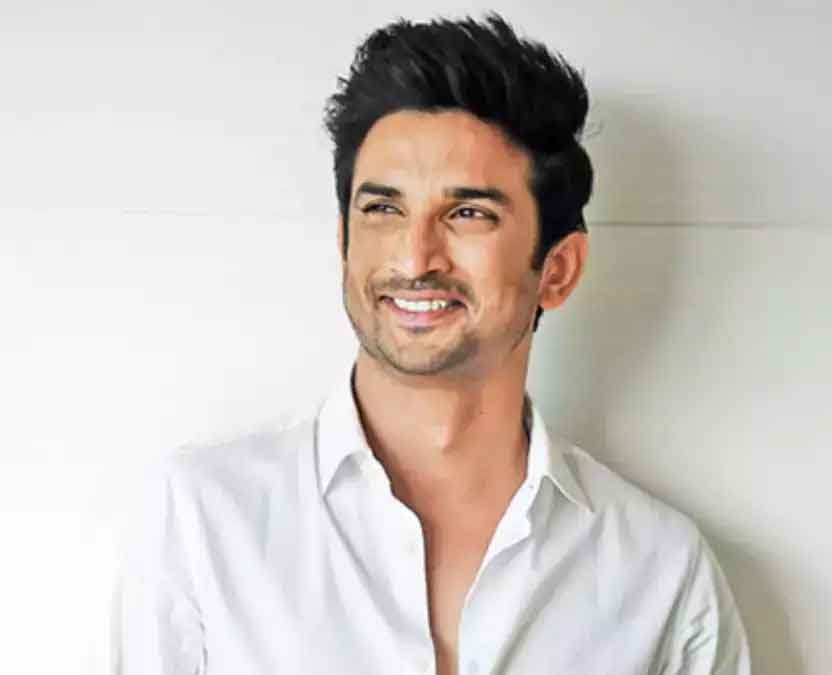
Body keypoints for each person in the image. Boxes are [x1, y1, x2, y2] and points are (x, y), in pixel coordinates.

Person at [110, 13, 750, 675]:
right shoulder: (204, 521)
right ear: (344, 242)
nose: (415, 258)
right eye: (383, 209)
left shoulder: (660, 573)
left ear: (558, 270)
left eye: (468, 213)